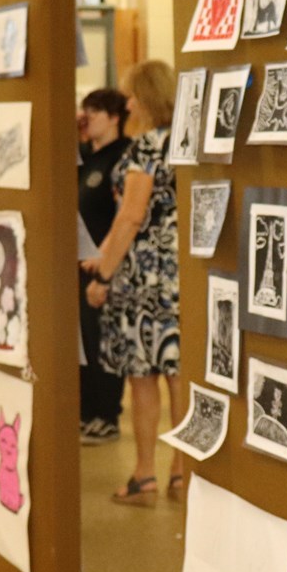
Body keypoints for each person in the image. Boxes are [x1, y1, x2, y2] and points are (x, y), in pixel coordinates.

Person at [83, 60, 185, 507]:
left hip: (144, 277)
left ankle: (145, 475)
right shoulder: (186, 141)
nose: (126, 103)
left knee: (142, 379)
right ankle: (183, 473)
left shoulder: (144, 148)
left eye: (132, 95)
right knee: (179, 374)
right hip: (180, 272)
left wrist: (104, 271)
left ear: (148, 98)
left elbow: (130, 216)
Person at [76, 89, 131, 445]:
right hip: (79, 263)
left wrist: (105, 256)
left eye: (94, 112)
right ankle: (86, 410)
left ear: (114, 116)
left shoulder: (122, 156)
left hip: (106, 264)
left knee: (104, 338)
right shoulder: (84, 156)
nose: (87, 118)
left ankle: (107, 414)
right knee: (82, 339)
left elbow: (125, 215)